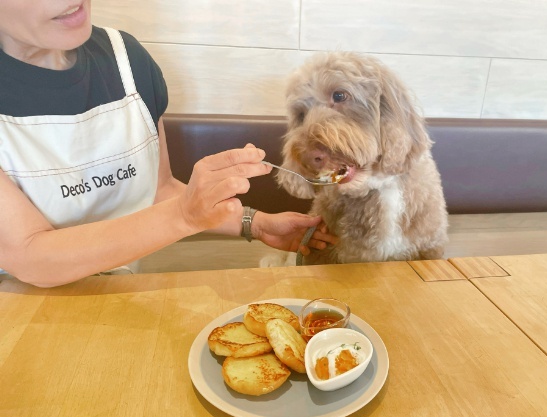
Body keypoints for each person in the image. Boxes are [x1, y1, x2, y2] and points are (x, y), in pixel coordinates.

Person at [0, 1, 336, 288]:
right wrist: (182, 216)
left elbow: (159, 191)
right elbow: (30, 256)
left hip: (122, 294)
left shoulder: (126, 60)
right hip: (25, 317)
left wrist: (256, 223)